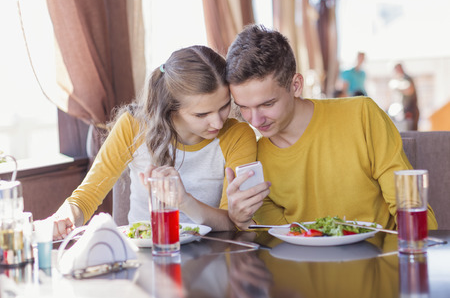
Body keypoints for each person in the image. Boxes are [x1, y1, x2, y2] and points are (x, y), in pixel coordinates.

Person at [225, 24, 437, 231]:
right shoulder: (255, 159)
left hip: (380, 259)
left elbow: (410, 207)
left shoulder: (362, 115)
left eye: (267, 104)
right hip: (304, 264)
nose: (255, 120)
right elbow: (277, 242)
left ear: (296, 86)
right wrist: (242, 222)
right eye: (244, 107)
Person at [47, 45, 269, 240]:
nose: (218, 122)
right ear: (171, 109)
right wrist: (65, 216)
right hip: (143, 256)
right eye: (202, 115)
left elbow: (232, 223)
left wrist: (184, 201)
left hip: (211, 255)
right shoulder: (133, 126)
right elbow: (87, 196)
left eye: (224, 107)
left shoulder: (238, 135)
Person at [389, 63, 420, 130]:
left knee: (411, 132)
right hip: (405, 109)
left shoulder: (406, 78)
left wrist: (397, 87)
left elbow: (409, 90)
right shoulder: (400, 79)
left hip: (411, 109)